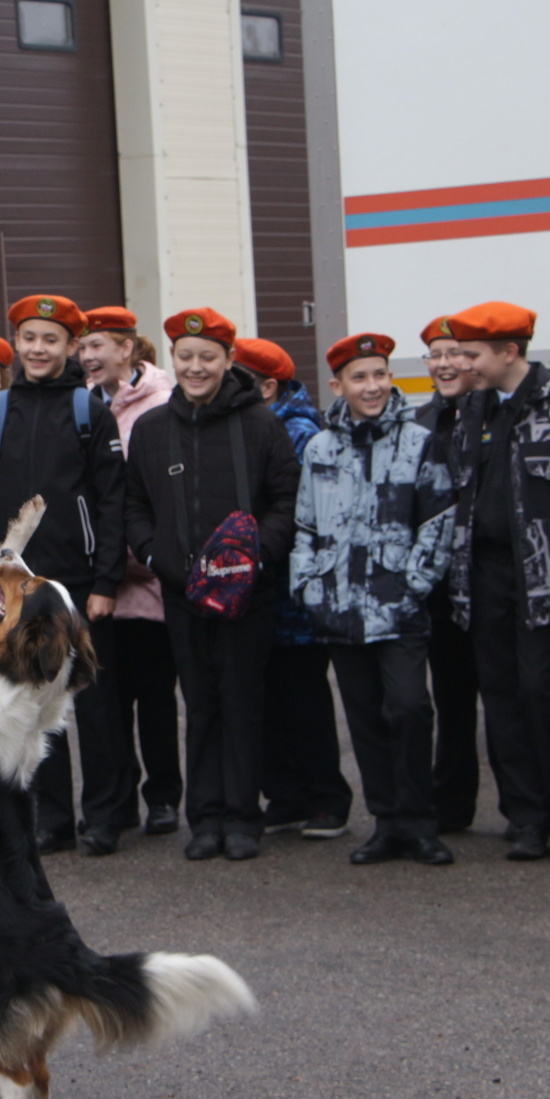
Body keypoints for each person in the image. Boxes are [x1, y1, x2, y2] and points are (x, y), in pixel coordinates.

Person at [123, 307, 299, 862]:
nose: (195, 367)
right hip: (180, 592)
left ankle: (244, 819)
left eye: (208, 357)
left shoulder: (261, 424)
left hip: (249, 595)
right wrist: (156, 556)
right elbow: (135, 506)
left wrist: (254, 559)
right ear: (171, 359)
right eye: (186, 356)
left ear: (228, 360)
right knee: (199, 704)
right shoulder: (152, 429)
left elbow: (286, 502)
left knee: (242, 701)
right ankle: (206, 819)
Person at [0, 294, 129, 854]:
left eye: (50, 339)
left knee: (95, 706)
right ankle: (49, 818)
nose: (37, 348)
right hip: (19, 589)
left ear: (71, 347)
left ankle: (104, 816)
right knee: (33, 704)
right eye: (29, 337)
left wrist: (105, 582)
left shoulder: (90, 411)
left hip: (79, 584)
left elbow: (111, 501)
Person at [290, 333, 457, 866]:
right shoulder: (320, 447)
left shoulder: (419, 440)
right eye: (360, 377)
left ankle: (418, 821)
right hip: (338, 608)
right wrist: (308, 587)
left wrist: (413, 587)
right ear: (338, 386)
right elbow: (304, 525)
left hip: (398, 608)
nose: (373, 386)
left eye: (380, 374)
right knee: (363, 717)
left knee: (409, 708)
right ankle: (386, 822)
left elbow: (437, 520)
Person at [446, 301, 550, 860]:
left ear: (509, 352)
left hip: (540, 575)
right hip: (482, 576)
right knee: (501, 696)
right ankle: (524, 815)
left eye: (472, 353)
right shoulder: (470, 410)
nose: (462, 363)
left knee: (543, 690)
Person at [239, 336, 352, 842]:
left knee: (304, 699)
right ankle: (285, 796)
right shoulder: (245, 425)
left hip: (295, 593)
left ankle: (326, 797)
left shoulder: (300, 433)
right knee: (268, 699)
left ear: (267, 386)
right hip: (258, 591)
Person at [78, 306, 180, 837]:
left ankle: (164, 796)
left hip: (147, 581)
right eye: (84, 347)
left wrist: (139, 557)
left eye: (99, 345)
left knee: (156, 696)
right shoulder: (82, 405)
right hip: (100, 584)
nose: (89, 356)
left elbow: (154, 497)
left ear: (127, 349)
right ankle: (118, 800)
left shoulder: (160, 405)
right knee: (108, 703)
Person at [413, 317, 482, 832]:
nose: (443, 364)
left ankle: (527, 810)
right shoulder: (420, 423)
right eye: (435, 354)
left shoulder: (496, 414)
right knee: (451, 698)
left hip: (490, 576)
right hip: (437, 583)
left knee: (509, 698)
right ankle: (451, 805)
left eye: (454, 353)